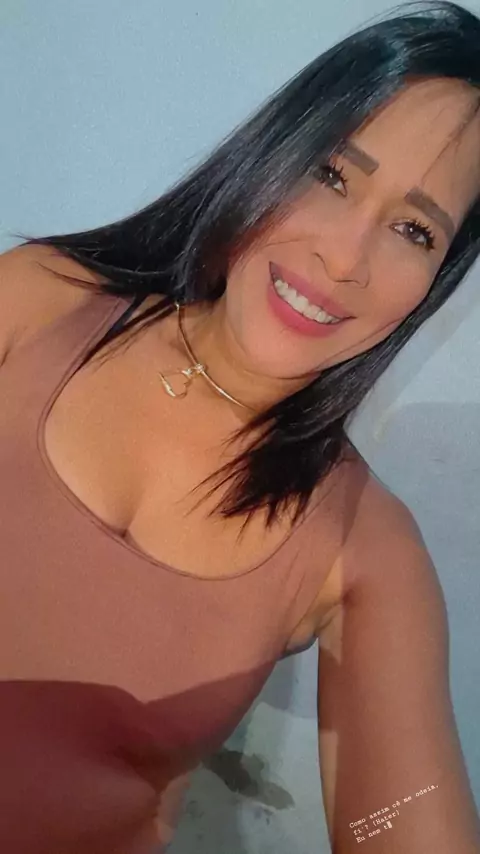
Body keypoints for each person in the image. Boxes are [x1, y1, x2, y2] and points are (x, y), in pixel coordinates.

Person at [1, 1, 479, 852]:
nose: (344, 257)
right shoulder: (35, 303)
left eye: (414, 229)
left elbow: (399, 823)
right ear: (275, 153)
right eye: (332, 175)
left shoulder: (364, 551)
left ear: (436, 278)